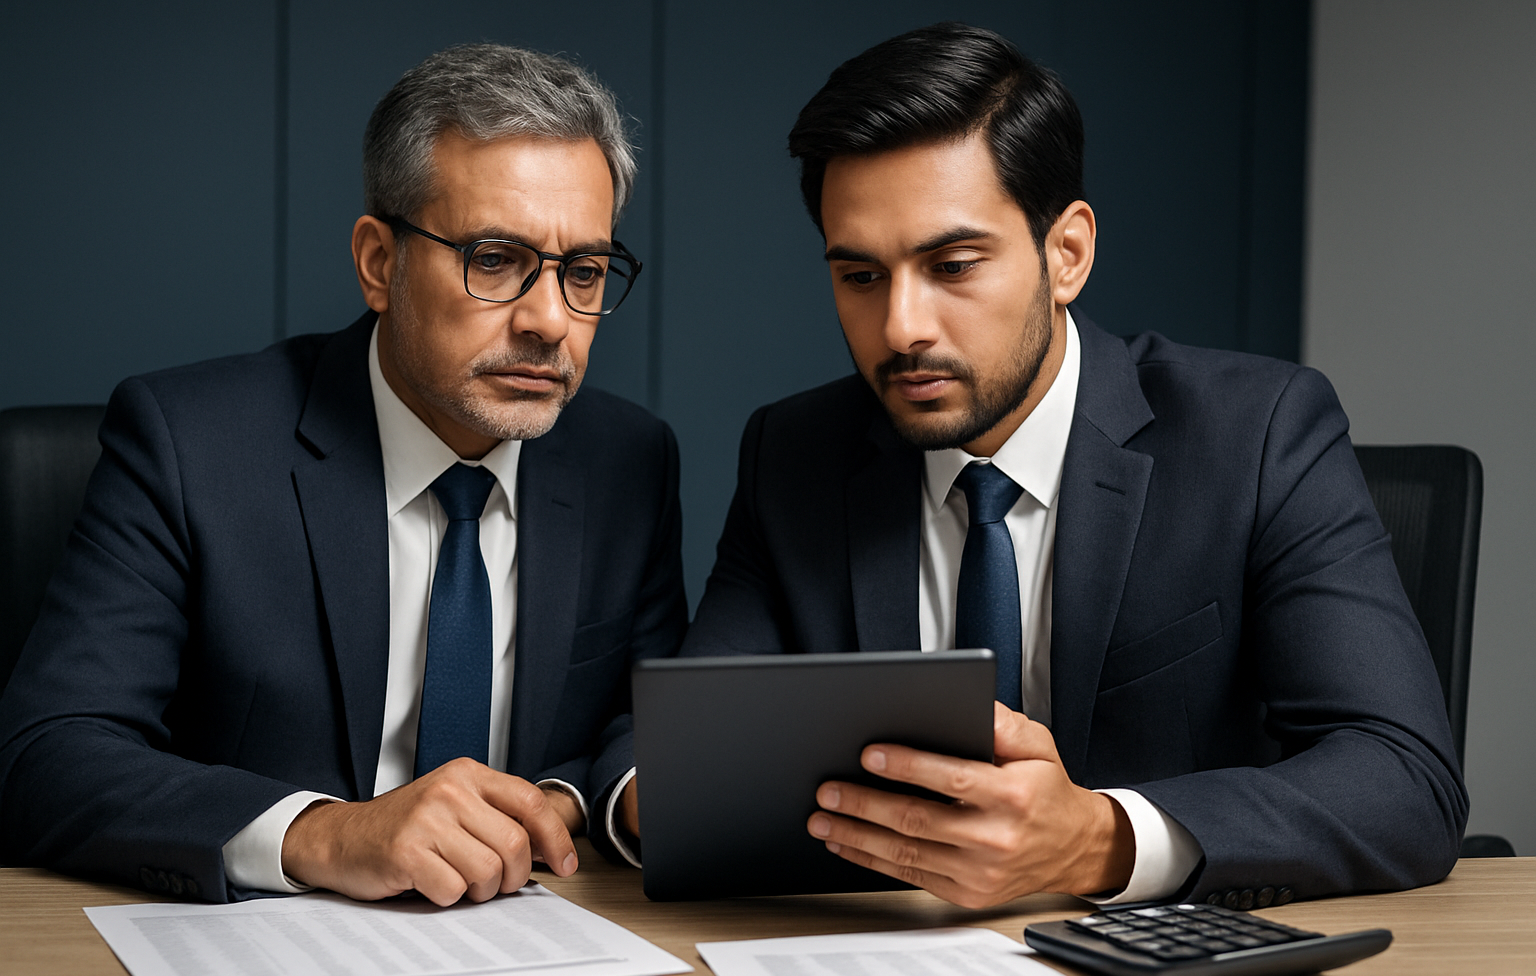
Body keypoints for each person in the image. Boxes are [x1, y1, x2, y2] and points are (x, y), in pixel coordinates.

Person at [681, 23, 1466, 910]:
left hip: (1173, 968)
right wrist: (643, 803)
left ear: (1068, 254)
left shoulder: (1258, 433)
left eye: (953, 265)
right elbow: (688, 756)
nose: (902, 328)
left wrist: (1105, 840)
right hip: (891, 973)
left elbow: (1405, 779)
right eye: (861, 276)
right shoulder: (794, 457)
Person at [0, 44, 685, 905]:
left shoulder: (629, 460)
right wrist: (325, 831)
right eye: (495, 259)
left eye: (583, 272)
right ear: (377, 263)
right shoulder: (189, 444)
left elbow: (645, 726)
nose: (551, 320)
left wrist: (580, 799)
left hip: (529, 947)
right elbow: (48, 752)